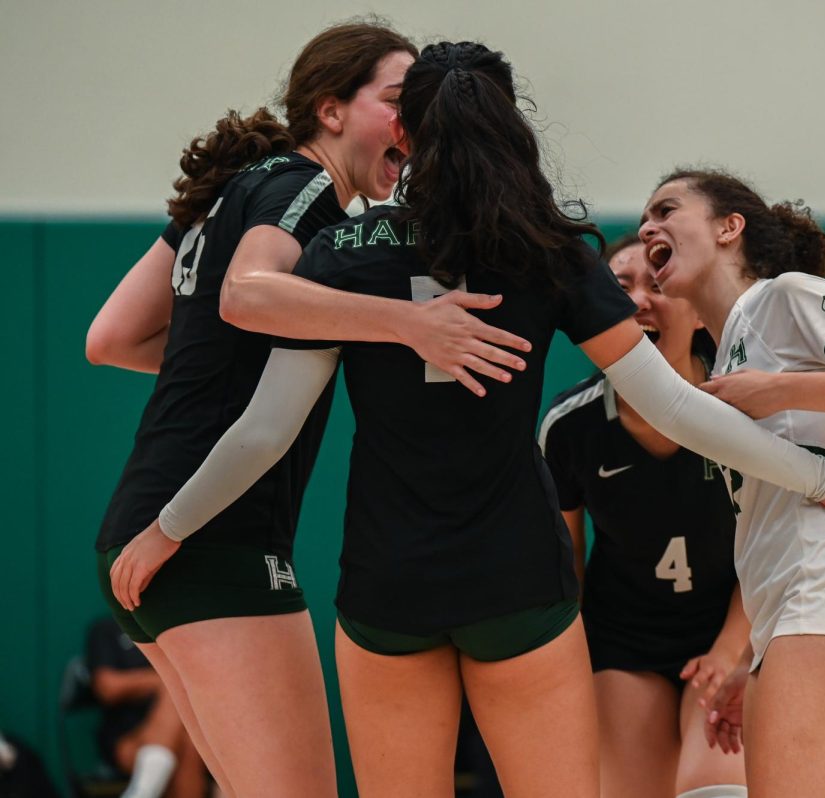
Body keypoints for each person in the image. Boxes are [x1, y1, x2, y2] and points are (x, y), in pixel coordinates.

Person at [107, 42, 825, 797]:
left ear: (408, 131)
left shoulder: (341, 251)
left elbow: (263, 429)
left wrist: (167, 528)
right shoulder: (548, 248)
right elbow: (671, 403)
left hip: (388, 583)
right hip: (516, 577)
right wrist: (823, 477)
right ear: (509, 125)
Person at [86, 21, 534, 798]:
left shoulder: (228, 190)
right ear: (329, 110)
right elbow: (246, 294)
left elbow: (111, 338)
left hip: (145, 526)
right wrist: (405, 321)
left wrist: (221, 366)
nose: (409, 125)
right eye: (394, 102)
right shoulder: (307, 189)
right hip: (209, 538)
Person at [639, 169, 825, 797]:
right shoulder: (725, 354)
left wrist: (774, 389)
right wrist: (755, 662)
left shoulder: (785, 295)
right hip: (794, 609)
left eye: (668, 210)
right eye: (645, 218)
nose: (649, 229)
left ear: (730, 227)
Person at [540, 234, 748, 798]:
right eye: (619, 288)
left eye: (656, 285)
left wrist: (733, 651)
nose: (637, 302)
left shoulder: (746, 410)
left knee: (718, 791)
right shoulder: (569, 427)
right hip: (623, 640)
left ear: (700, 312)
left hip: (732, 626)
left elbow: (775, 549)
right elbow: (565, 571)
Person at [85, 617, 209, 798]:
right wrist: (159, 681)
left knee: (189, 746)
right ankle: (145, 786)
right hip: (127, 739)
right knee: (173, 684)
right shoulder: (107, 629)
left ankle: (144, 789)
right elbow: (107, 687)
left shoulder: (177, 627)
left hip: (186, 739)